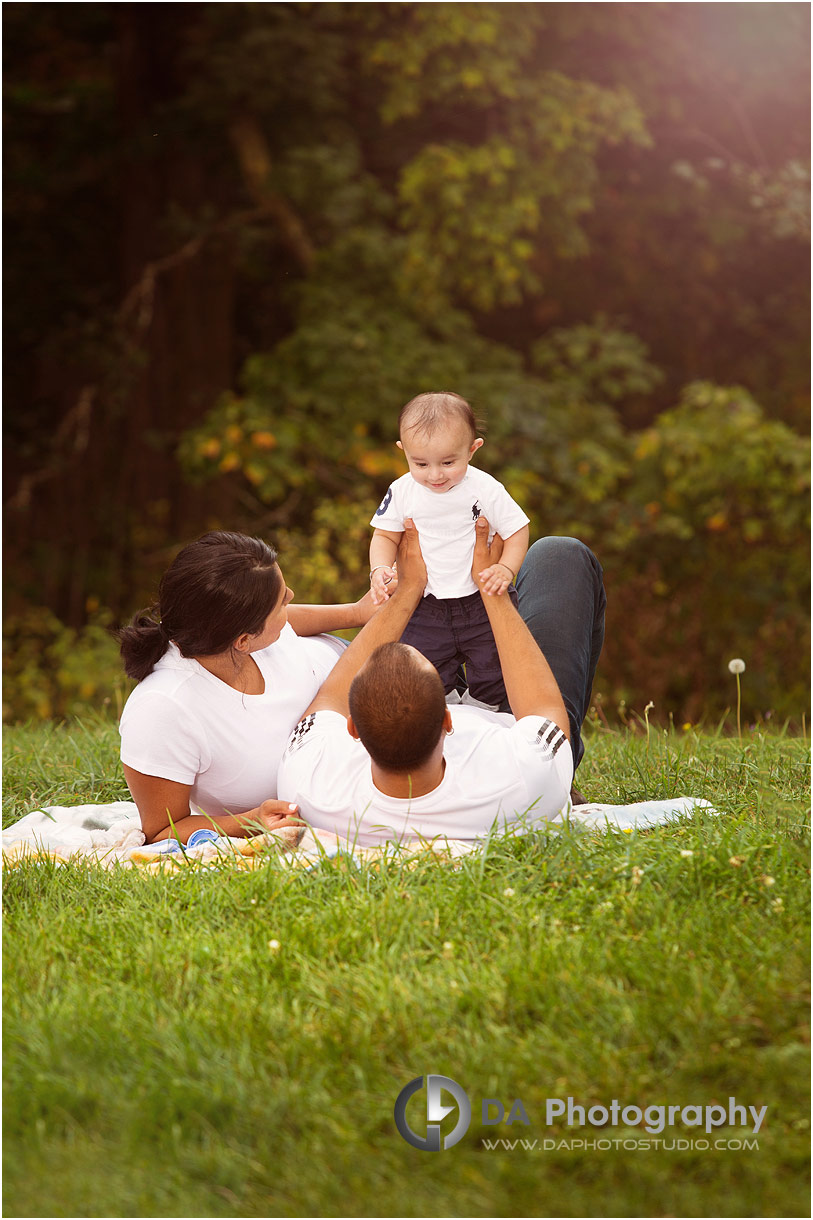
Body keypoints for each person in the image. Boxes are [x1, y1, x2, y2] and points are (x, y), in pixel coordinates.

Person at [277, 517, 606, 845]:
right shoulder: (528, 777)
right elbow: (544, 708)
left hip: (428, 725)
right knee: (560, 555)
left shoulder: (310, 785)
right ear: (449, 720)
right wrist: (490, 590)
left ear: (354, 730)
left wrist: (408, 590)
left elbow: (330, 697)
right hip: (515, 719)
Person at [117, 530, 374, 844]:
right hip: (354, 719)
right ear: (243, 641)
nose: (291, 595)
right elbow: (161, 830)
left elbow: (288, 621)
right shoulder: (163, 709)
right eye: (281, 602)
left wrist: (357, 613)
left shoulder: (227, 632)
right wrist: (251, 821)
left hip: (364, 665)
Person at [369, 391, 530, 707]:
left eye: (448, 462)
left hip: (480, 600)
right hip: (425, 604)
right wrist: (380, 568)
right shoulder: (402, 491)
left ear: (472, 449)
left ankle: (483, 708)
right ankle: (445, 706)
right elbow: (384, 536)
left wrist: (506, 568)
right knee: (421, 670)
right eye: (421, 463)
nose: (435, 474)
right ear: (404, 451)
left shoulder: (485, 489)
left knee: (495, 665)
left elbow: (517, 530)